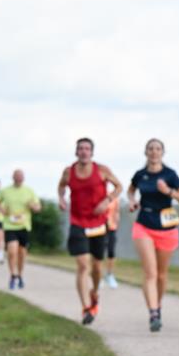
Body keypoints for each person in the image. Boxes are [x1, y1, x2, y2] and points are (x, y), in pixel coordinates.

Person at [58, 137, 123, 325]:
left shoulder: (102, 170)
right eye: (80, 148)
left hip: (98, 223)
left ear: (92, 152)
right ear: (76, 152)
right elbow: (61, 186)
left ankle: (94, 292)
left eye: (87, 148)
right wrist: (62, 199)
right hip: (78, 222)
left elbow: (119, 186)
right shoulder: (69, 172)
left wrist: (107, 200)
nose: (84, 151)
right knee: (82, 265)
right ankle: (86, 307)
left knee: (96, 267)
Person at [127, 138, 179, 332]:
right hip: (144, 224)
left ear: (163, 152)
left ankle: (157, 306)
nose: (154, 152)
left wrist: (168, 191)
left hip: (166, 228)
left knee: (161, 275)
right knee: (150, 273)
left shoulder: (170, 174)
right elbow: (131, 191)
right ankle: (153, 313)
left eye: (158, 149)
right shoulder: (140, 174)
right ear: (146, 152)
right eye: (151, 149)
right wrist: (132, 201)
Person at [0, 169, 41, 290]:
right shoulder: (5, 191)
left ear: (24, 178)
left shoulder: (29, 191)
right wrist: (2, 210)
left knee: (22, 253)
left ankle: (20, 275)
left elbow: (38, 207)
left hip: (24, 226)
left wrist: (33, 206)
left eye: (21, 176)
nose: (19, 178)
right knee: (12, 251)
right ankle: (12, 275)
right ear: (13, 177)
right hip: (10, 226)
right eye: (17, 176)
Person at [104, 195, 121, 289]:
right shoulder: (96, 193)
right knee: (97, 252)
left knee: (111, 251)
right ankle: (96, 275)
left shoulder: (113, 196)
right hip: (99, 226)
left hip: (111, 227)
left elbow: (117, 211)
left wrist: (116, 221)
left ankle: (109, 275)